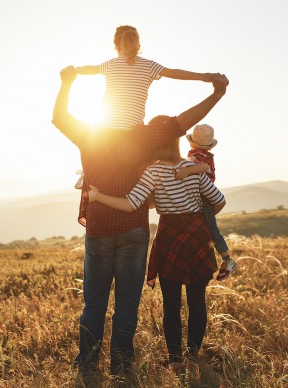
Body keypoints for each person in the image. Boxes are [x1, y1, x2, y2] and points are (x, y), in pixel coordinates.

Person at [51, 65, 228, 376]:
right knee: (127, 304)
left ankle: (88, 362)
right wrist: (216, 93)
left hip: (99, 229)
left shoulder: (89, 133)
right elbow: (183, 122)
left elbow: (60, 118)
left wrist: (67, 83)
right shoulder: (146, 136)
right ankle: (121, 363)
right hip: (134, 230)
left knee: (94, 302)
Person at [87, 132, 225, 371]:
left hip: (170, 237)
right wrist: (199, 217)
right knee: (197, 302)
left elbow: (131, 204)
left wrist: (98, 196)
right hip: (197, 237)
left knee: (171, 304)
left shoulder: (153, 171)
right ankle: (192, 355)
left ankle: (175, 360)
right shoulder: (193, 168)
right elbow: (219, 200)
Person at [75, 25, 216, 131]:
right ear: (138, 44)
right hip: (132, 130)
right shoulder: (149, 65)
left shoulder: (110, 64)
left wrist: (74, 70)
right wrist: (203, 77)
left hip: (105, 129)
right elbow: (174, 73)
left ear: (116, 45)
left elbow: (90, 69)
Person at [175, 124, 237, 280]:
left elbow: (202, 167)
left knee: (211, 228)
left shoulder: (200, 157)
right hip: (201, 195)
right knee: (205, 227)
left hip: (204, 195)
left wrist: (187, 171)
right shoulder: (200, 154)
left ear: (191, 142)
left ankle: (227, 259)